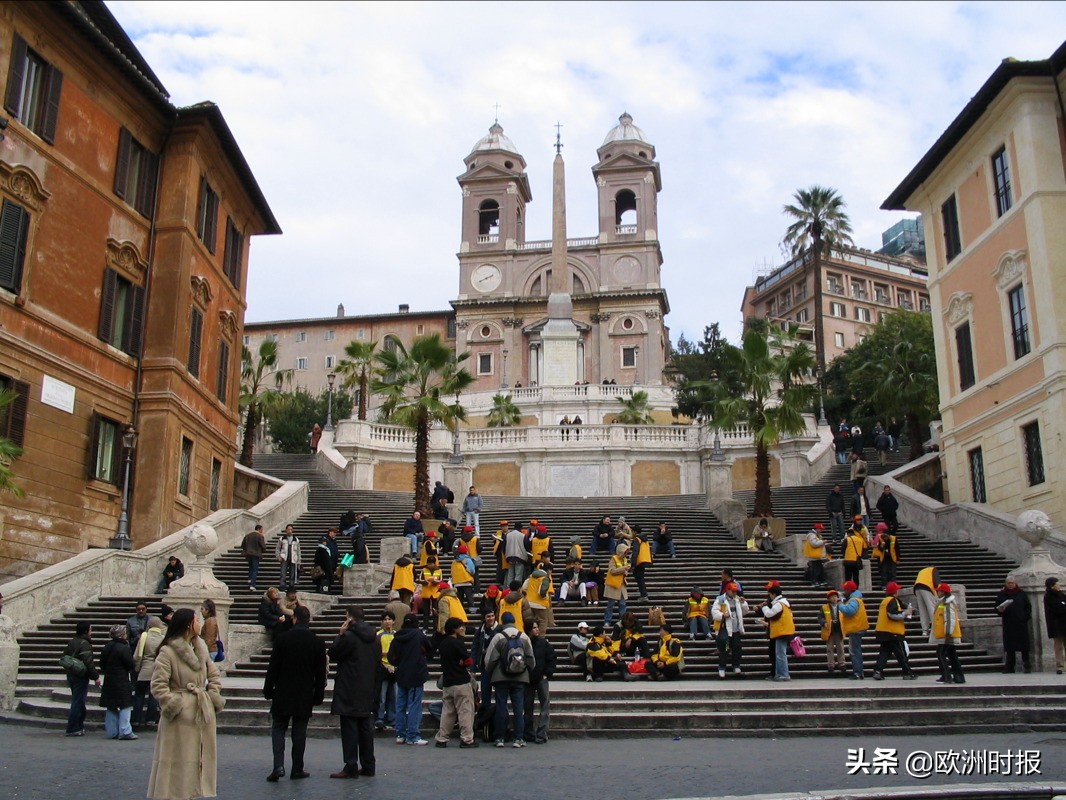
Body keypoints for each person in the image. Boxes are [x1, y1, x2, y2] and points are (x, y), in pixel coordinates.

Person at [148, 608, 224, 800]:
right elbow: (158, 685)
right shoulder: (168, 651)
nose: (201, 623)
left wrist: (212, 694)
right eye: (197, 620)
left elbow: (214, 675)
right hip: (179, 719)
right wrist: (175, 704)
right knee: (176, 766)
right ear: (189, 625)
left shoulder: (201, 648)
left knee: (197, 763)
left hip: (201, 712)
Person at [264, 604, 327, 781]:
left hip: (283, 690)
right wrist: (318, 695)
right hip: (304, 692)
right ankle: (297, 768)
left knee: (278, 728)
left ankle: (278, 766)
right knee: (299, 731)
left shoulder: (283, 639)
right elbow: (320, 673)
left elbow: (273, 667)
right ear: (309, 621)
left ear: (295, 619)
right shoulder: (317, 642)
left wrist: (268, 689)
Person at [328, 606, 380, 778]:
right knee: (365, 727)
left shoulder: (349, 637)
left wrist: (340, 634)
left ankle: (350, 765)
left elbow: (334, 653)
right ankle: (368, 765)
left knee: (349, 727)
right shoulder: (375, 637)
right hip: (367, 686)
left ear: (350, 618)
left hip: (350, 686)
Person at [484, 611, 535, 747]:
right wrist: (526, 670)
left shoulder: (498, 637)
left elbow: (489, 659)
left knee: (501, 706)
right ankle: (519, 738)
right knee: (519, 708)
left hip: (501, 677)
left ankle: (500, 738)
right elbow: (531, 659)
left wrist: (490, 672)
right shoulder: (524, 636)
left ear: (502, 622)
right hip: (520, 677)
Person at [435, 616, 479, 748]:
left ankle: (442, 738)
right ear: (455, 629)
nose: (463, 629)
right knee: (465, 711)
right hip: (461, 682)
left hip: (448, 682)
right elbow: (468, 661)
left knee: (447, 712)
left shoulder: (443, 644)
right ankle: (466, 739)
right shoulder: (458, 643)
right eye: (461, 626)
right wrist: (463, 662)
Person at [389, 613, 431, 746]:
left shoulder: (397, 636)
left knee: (400, 705)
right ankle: (413, 735)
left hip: (401, 674)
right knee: (414, 705)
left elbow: (391, 657)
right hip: (416, 675)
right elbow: (429, 648)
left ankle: (400, 734)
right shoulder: (418, 635)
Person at [871, 581, 916, 680]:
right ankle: (907, 672)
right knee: (901, 653)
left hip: (883, 631)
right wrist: (905, 613)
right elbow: (892, 614)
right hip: (892, 632)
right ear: (895, 591)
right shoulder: (892, 600)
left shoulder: (885, 601)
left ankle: (878, 671)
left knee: (884, 653)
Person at [63, 621, 100, 736]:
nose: (91, 632)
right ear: (86, 631)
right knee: (78, 701)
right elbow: (88, 662)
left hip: (71, 673)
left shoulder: (72, 641)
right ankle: (73, 727)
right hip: (80, 675)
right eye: (90, 629)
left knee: (77, 700)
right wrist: (95, 677)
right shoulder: (85, 643)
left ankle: (78, 726)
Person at [99, 625, 136, 739]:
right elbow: (130, 664)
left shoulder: (107, 647)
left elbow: (102, 664)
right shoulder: (123, 648)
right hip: (121, 679)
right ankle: (125, 730)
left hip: (109, 679)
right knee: (125, 705)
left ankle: (112, 731)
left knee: (111, 706)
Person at [523, 620, 556, 743]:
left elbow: (552, 658)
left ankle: (542, 733)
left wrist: (547, 673)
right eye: (534, 628)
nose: (537, 630)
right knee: (528, 706)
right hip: (529, 679)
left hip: (541, 678)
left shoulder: (544, 643)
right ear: (529, 630)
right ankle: (529, 732)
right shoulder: (525, 643)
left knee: (544, 706)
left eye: (537, 627)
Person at [758, 581, 795, 681]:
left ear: (774, 594)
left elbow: (770, 614)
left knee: (780, 654)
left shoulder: (779, 604)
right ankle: (779, 674)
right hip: (785, 631)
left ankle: (784, 674)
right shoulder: (785, 603)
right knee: (779, 653)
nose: (769, 597)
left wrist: (764, 607)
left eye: (770, 594)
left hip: (781, 632)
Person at [132, 616, 165, 729]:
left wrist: (137, 667)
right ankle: (150, 719)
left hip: (144, 669)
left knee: (139, 695)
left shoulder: (144, 636)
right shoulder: (163, 638)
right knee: (153, 696)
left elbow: (137, 655)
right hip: (157, 669)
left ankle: (136, 719)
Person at [995, 576, 1032, 673]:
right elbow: (997, 608)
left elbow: (1028, 607)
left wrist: (1025, 617)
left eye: (1012, 583)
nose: (1011, 585)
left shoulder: (1021, 593)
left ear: (1015, 583)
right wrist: (1000, 610)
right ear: (1006, 584)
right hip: (1008, 623)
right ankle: (1010, 666)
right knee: (1010, 646)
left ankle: (1026, 665)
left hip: (1021, 623)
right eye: (1009, 583)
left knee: (1024, 645)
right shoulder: (1002, 594)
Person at [712, 582, 748, 677]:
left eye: (736, 591)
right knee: (725, 649)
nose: (735, 593)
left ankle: (736, 666)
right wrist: (723, 615)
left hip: (736, 630)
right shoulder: (720, 600)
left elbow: (745, 611)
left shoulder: (737, 599)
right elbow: (714, 612)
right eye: (733, 591)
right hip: (726, 630)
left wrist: (743, 603)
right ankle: (722, 668)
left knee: (737, 648)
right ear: (727, 590)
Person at [933, 582, 965, 684]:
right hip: (946, 632)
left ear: (943, 592)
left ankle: (947, 676)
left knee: (941, 653)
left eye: (939, 591)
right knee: (951, 654)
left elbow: (949, 618)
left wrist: (948, 632)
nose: (937, 592)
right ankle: (958, 677)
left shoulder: (947, 603)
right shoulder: (944, 602)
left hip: (947, 633)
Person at [839, 580, 869, 680]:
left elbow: (849, 611)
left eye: (845, 589)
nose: (843, 590)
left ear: (848, 590)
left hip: (856, 629)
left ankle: (857, 672)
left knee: (854, 651)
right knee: (856, 650)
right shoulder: (856, 599)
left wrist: (840, 605)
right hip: (857, 628)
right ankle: (858, 672)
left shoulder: (854, 600)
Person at [471, 610, 502, 705]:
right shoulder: (480, 631)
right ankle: (486, 713)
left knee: (500, 694)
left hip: (497, 666)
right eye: (488, 616)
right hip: (484, 666)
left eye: (492, 616)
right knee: (485, 692)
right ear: (484, 618)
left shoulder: (500, 629)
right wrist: (473, 668)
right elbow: (475, 649)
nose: (491, 618)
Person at [374, 611, 398, 732]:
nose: (387, 621)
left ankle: (392, 717)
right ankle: (379, 717)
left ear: (394, 621)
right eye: (385, 619)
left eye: (390, 619)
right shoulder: (378, 635)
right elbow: (377, 652)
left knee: (393, 695)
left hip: (394, 668)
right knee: (382, 695)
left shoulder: (397, 635)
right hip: (383, 667)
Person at [603, 543, 630, 628]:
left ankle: (623, 621)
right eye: (625, 551)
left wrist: (626, 572)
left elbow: (623, 571)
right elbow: (612, 571)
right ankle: (607, 621)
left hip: (621, 585)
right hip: (613, 585)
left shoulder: (625, 559)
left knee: (622, 604)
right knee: (610, 605)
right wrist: (624, 569)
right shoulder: (613, 559)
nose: (626, 553)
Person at [820, 590, 845, 675]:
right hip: (829, 630)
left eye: (835, 597)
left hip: (838, 629)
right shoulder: (824, 607)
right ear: (829, 599)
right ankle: (831, 665)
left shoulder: (841, 606)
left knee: (840, 648)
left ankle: (841, 663)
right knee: (829, 648)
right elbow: (820, 617)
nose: (834, 599)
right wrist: (823, 622)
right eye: (832, 597)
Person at [1045, 577, 1066, 675]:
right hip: (1056, 625)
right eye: (1057, 584)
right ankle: (1060, 666)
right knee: (1058, 646)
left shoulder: (1062, 595)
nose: (1059, 586)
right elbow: (1058, 609)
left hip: (1064, 623)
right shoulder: (1049, 596)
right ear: (1052, 586)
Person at [912, 566, 939, 638]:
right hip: (927, 588)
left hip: (917, 588)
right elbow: (936, 582)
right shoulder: (934, 569)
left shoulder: (923, 571)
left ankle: (925, 631)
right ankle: (936, 629)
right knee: (932, 609)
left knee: (922, 611)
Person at [873, 523, 900, 590]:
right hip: (884, 558)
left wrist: (898, 559)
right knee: (884, 571)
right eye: (884, 537)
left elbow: (897, 549)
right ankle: (884, 584)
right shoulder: (881, 539)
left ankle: (893, 585)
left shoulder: (893, 539)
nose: (885, 538)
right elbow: (879, 548)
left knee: (893, 571)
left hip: (892, 557)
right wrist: (881, 546)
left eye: (886, 537)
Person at [630, 525, 653, 601]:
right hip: (644, 560)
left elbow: (635, 551)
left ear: (635, 532)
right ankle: (642, 591)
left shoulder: (637, 539)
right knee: (640, 577)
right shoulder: (644, 539)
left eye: (632, 531)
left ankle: (644, 594)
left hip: (639, 561)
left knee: (639, 578)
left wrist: (633, 563)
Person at [314, 529, 340, 593]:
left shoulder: (325, 548)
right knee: (323, 580)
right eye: (324, 541)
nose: (325, 542)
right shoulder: (321, 549)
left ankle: (325, 590)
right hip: (324, 568)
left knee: (325, 581)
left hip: (328, 566)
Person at [242, 524, 267, 591]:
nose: (262, 531)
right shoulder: (260, 536)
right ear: (259, 529)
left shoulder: (248, 535)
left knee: (250, 567)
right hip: (256, 554)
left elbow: (243, 544)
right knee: (255, 569)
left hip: (248, 553)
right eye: (262, 529)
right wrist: (263, 551)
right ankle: (252, 585)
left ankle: (250, 579)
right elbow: (263, 546)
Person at [504, 522, 530, 587]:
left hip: (509, 557)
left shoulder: (508, 535)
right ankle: (516, 589)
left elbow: (504, 546)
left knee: (510, 575)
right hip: (520, 557)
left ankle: (508, 588)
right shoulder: (523, 536)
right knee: (518, 575)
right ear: (521, 528)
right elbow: (527, 546)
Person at [276, 525, 301, 590]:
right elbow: (278, 548)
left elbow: (298, 551)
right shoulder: (282, 539)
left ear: (292, 530)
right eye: (288, 529)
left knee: (292, 573)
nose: (289, 531)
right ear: (286, 530)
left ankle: (291, 586)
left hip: (293, 558)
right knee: (283, 573)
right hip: (284, 558)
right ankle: (282, 586)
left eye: (291, 530)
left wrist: (299, 561)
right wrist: (278, 557)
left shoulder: (296, 539)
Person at [841, 520, 866, 585]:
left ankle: (847, 588)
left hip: (848, 560)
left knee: (848, 577)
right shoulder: (860, 540)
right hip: (857, 561)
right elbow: (863, 550)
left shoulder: (847, 539)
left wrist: (845, 555)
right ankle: (856, 589)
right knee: (856, 576)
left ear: (849, 534)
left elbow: (843, 549)